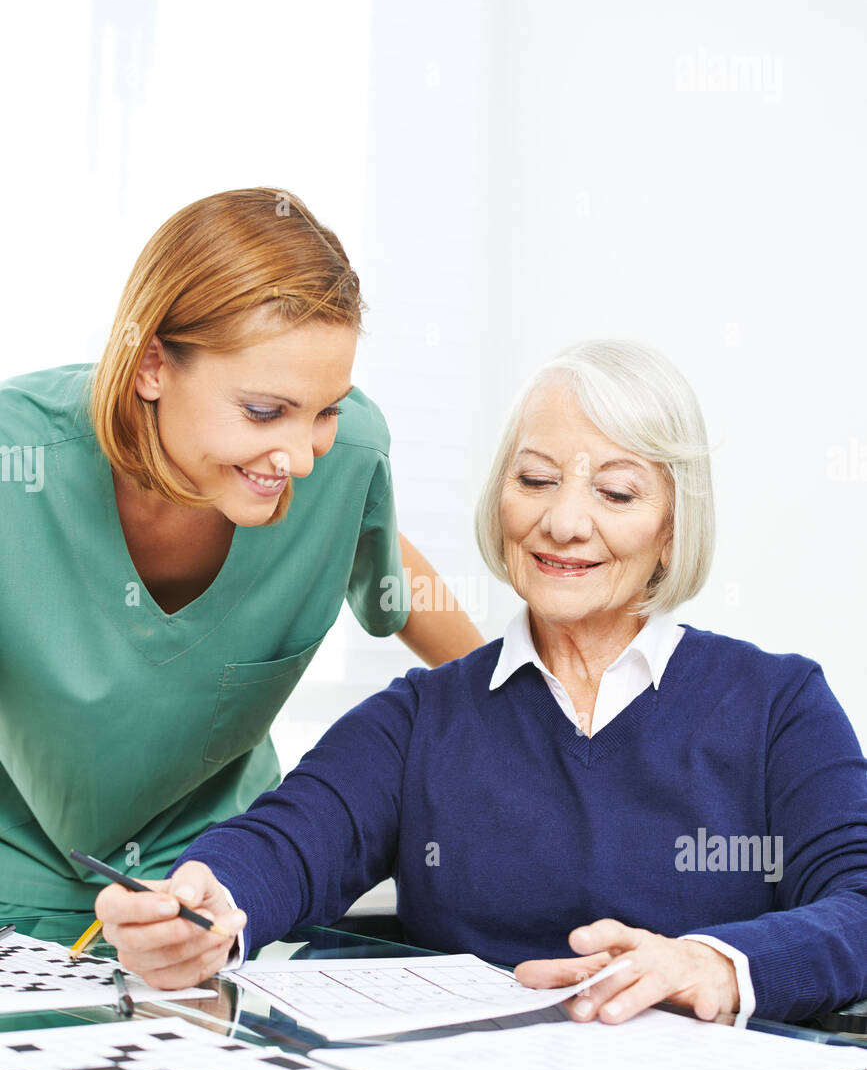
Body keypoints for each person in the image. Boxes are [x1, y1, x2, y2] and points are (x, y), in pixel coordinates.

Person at [96, 339, 867, 1029]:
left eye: (617, 493)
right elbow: (293, 839)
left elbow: (859, 905)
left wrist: (714, 964)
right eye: (534, 479)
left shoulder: (778, 706)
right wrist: (209, 901)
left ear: (672, 526)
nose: (563, 523)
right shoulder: (419, 716)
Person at [0, 187, 483, 917]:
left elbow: (381, 561)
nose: (300, 456)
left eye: (326, 409)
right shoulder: (18, 460)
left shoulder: (347, 458)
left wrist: (519, 712)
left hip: (216, 889)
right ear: (151, 365)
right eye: (263, 411)